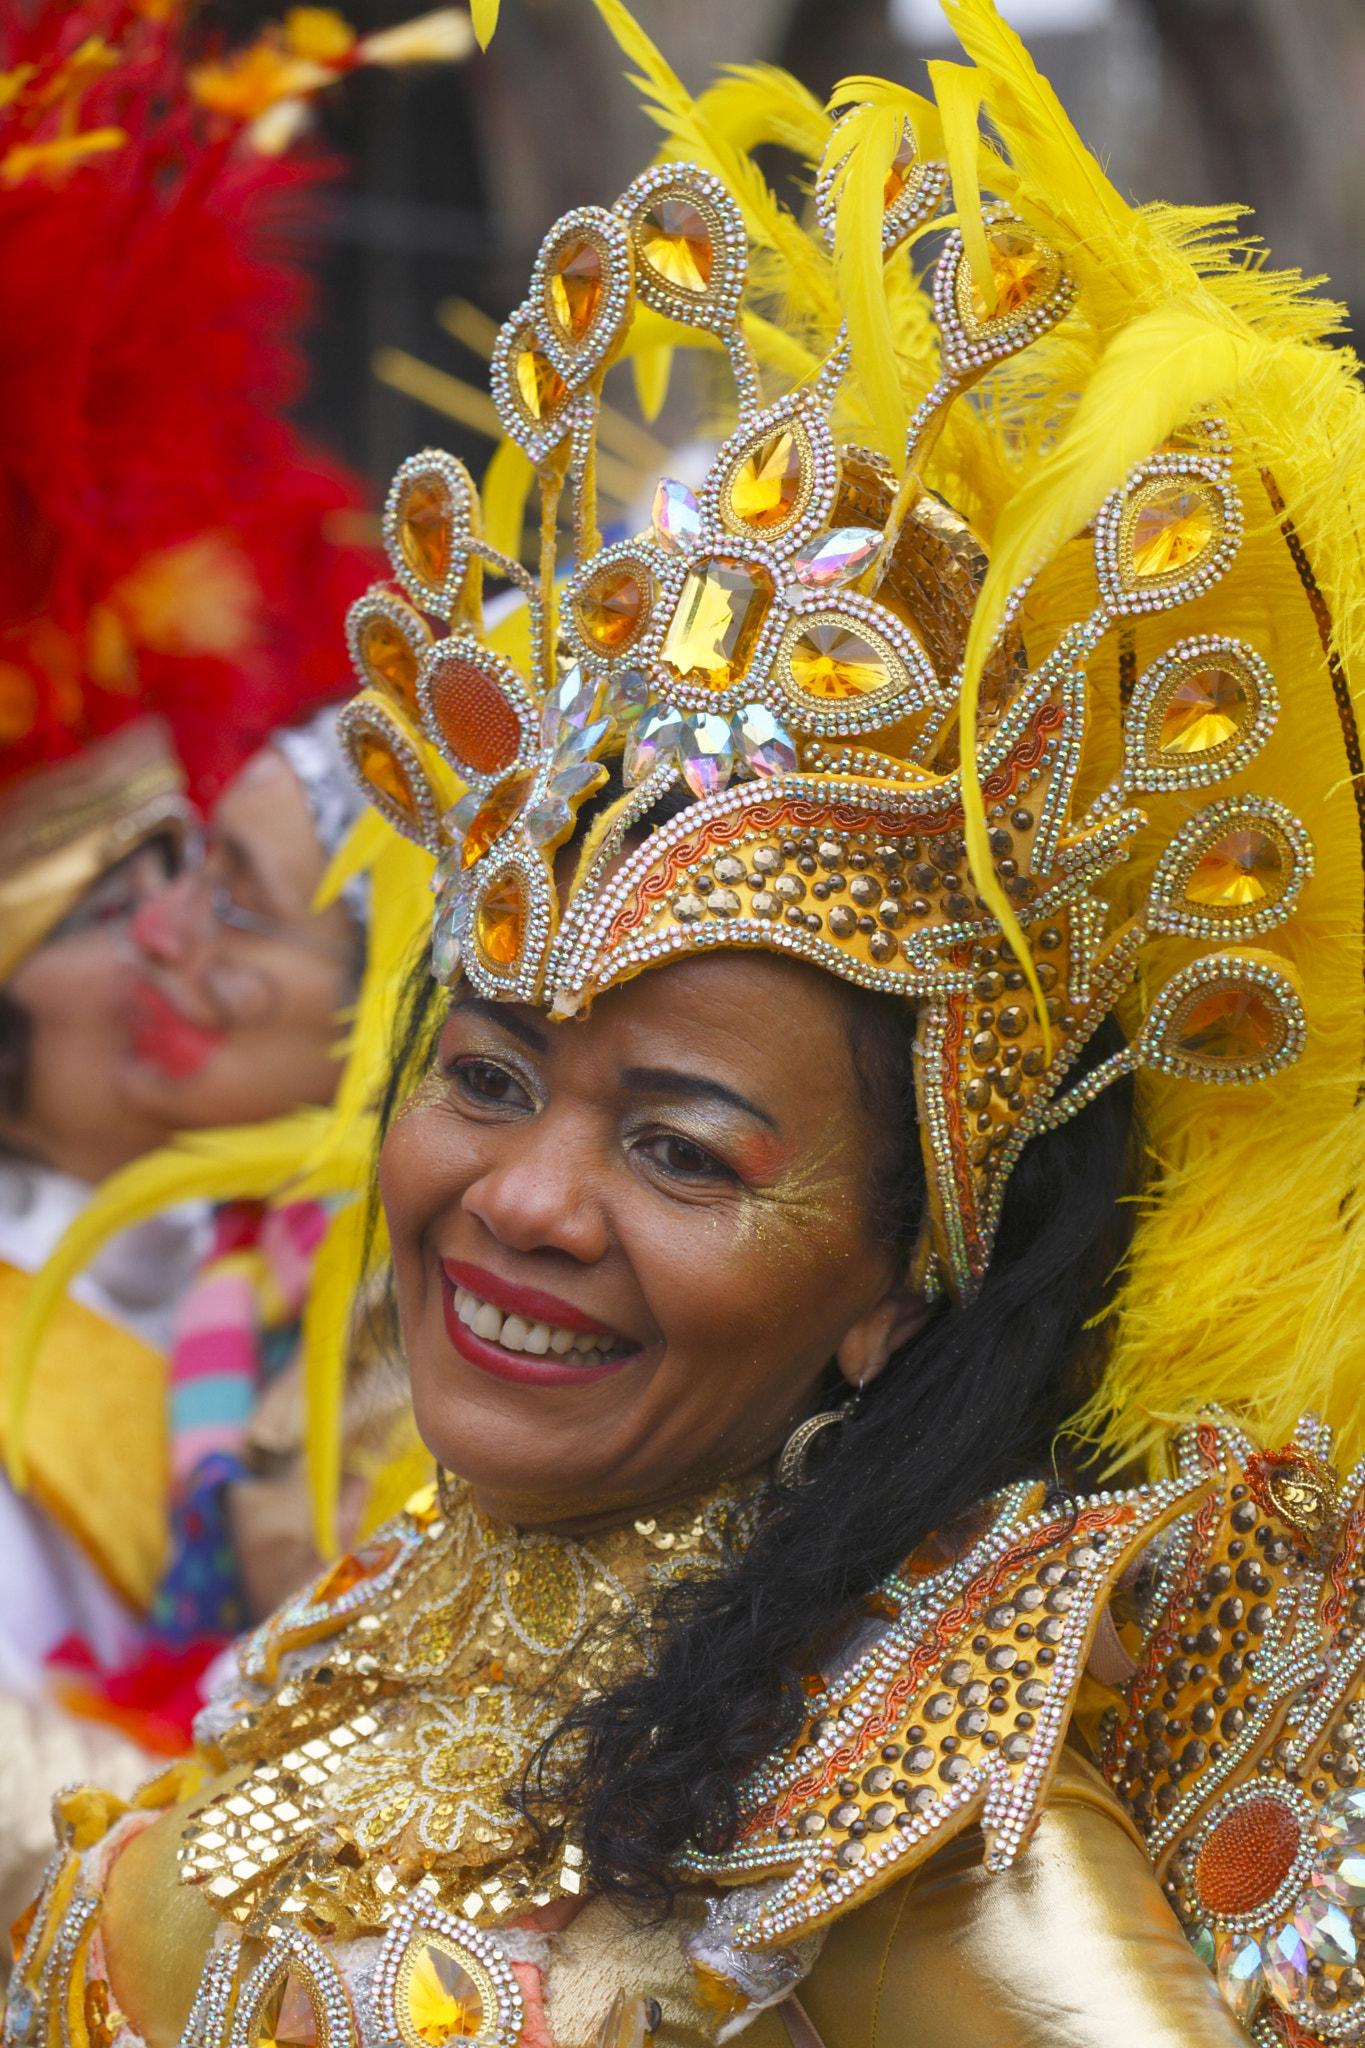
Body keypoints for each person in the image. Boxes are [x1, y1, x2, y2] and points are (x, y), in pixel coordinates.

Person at [14, 1, 1365, 2043]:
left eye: (677, 1144)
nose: (519, 1197)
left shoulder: (909, 1805)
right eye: (485, 1076)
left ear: (893, 1289)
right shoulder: (366, 1620)